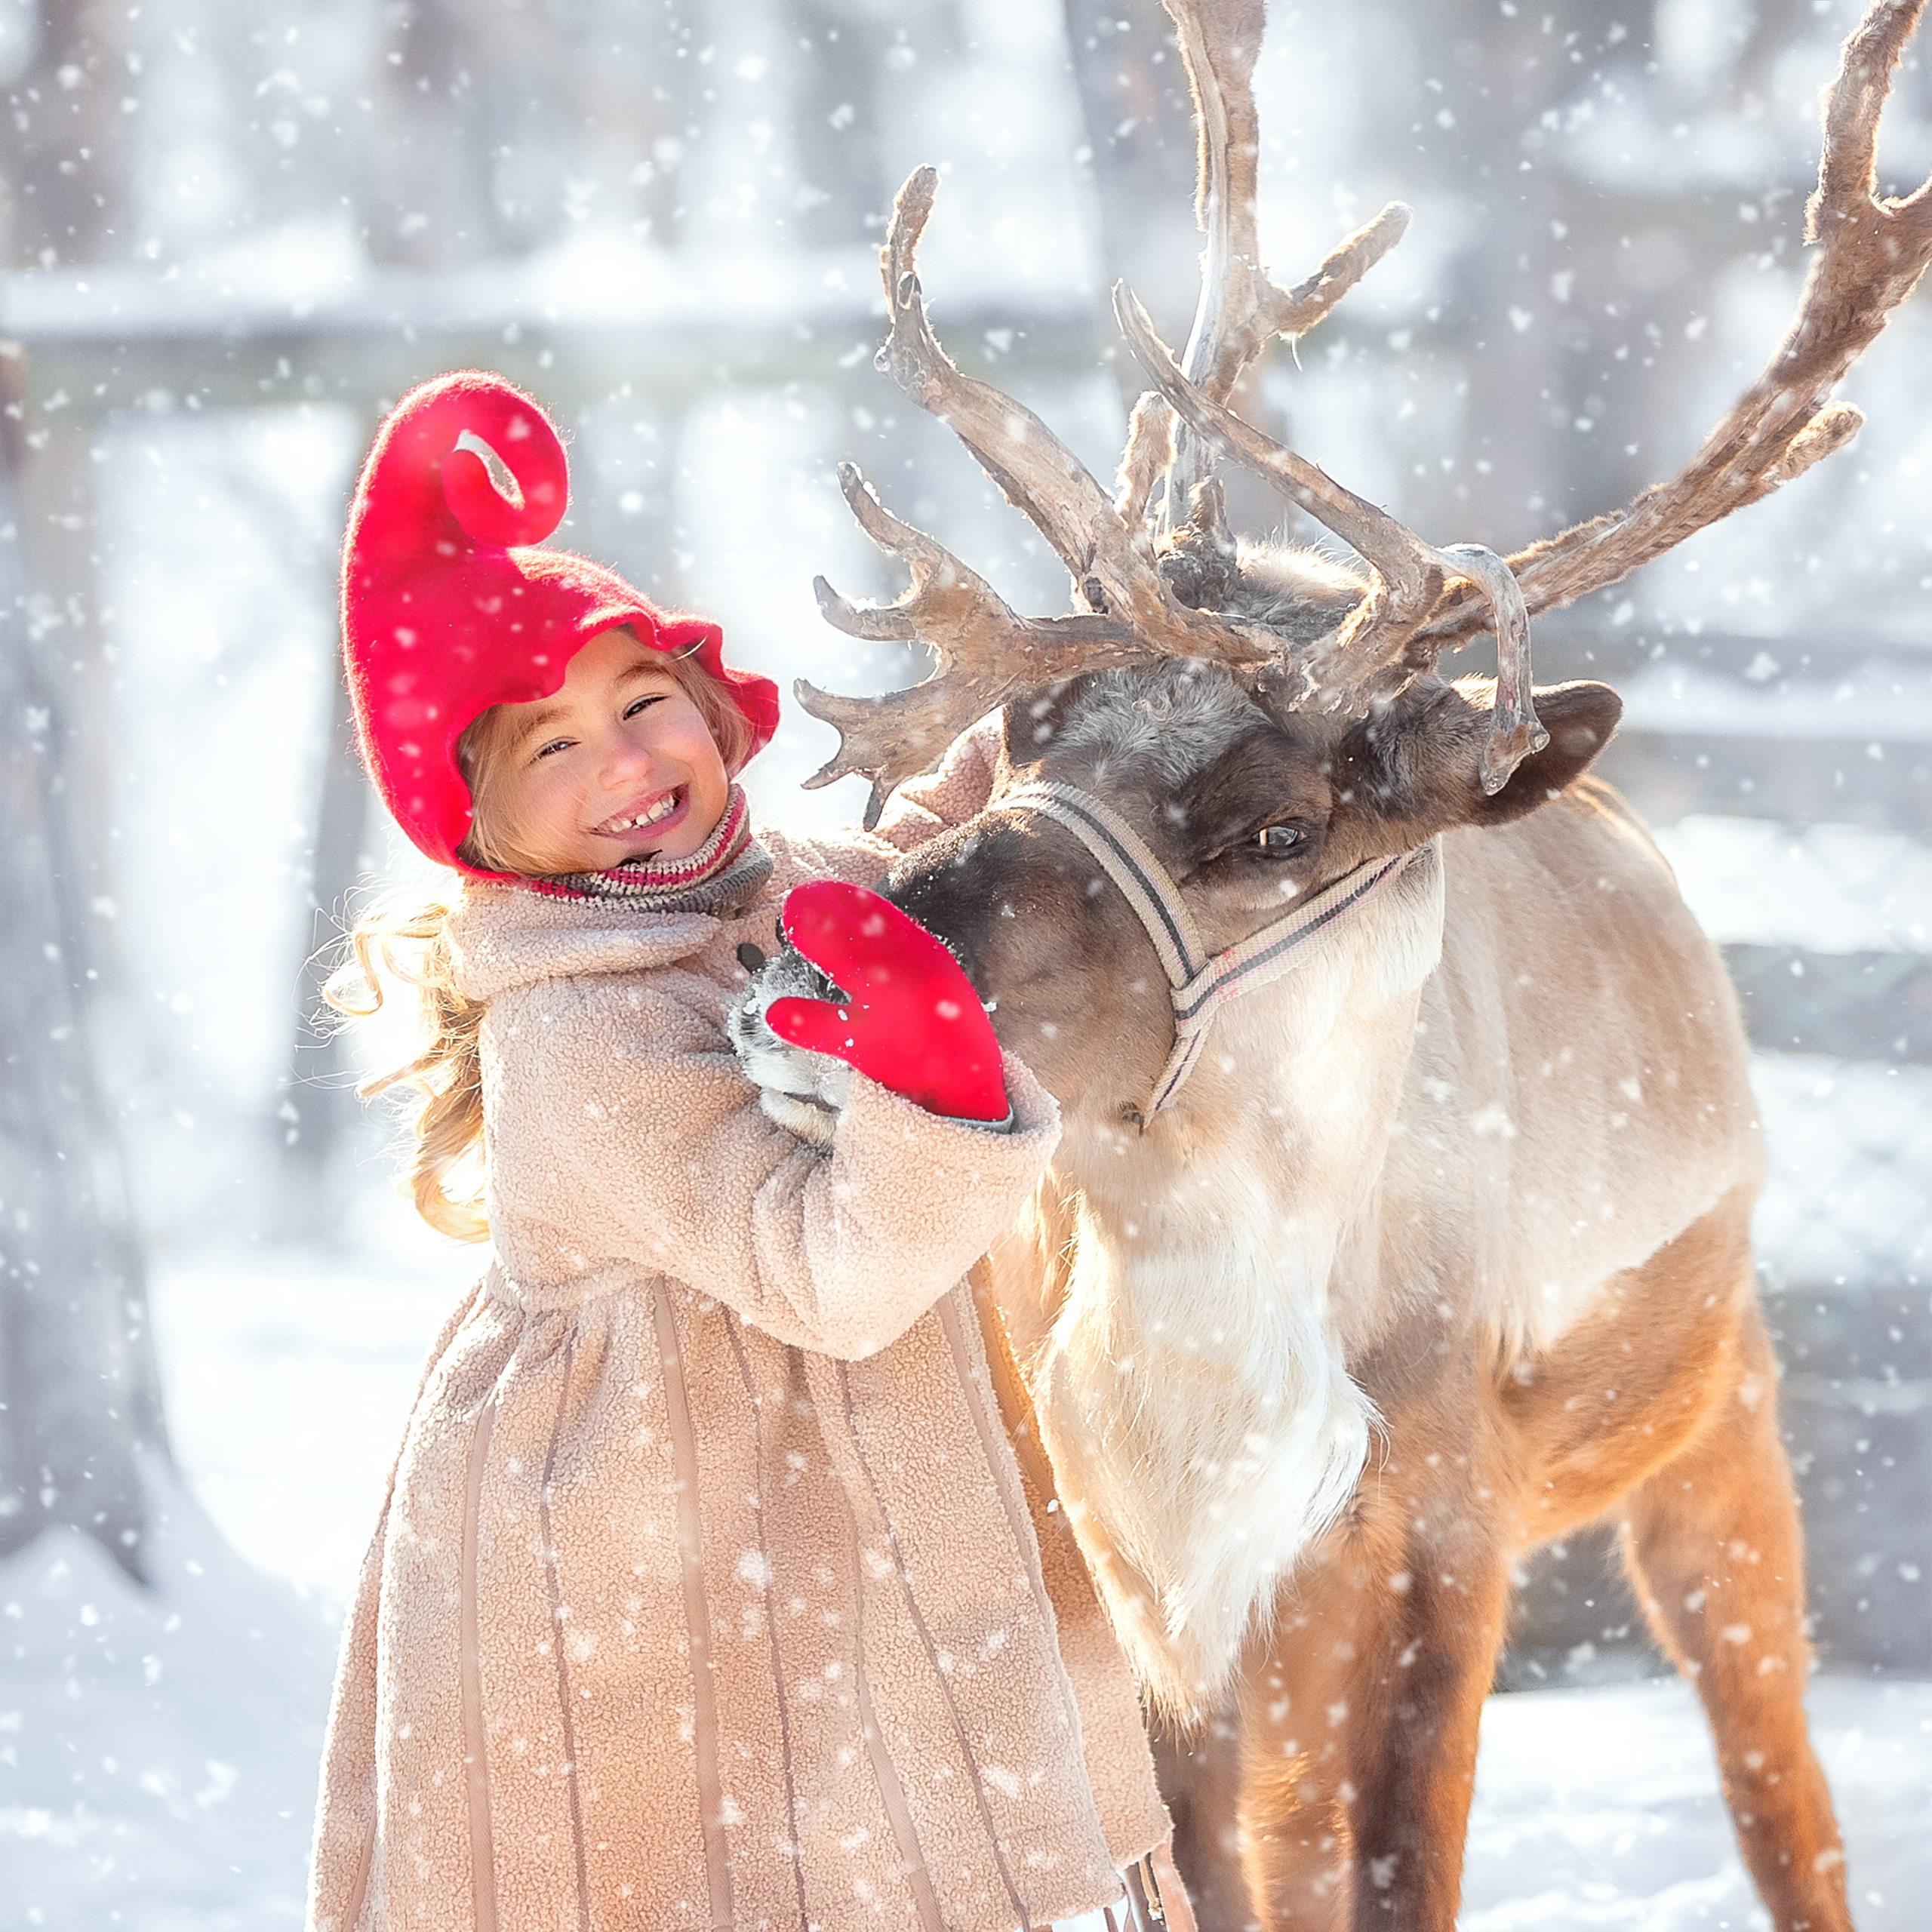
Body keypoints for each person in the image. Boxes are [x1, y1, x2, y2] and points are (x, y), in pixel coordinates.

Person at [306, 371, 1183, 1932]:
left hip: (801, 1480)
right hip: (640, 1525)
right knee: (726, 1850)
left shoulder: (764, 886)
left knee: (864, 1807)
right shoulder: (578, 1044)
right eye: (548, 750)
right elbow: (831, 1274)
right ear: (483, 831)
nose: (625, 765)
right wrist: (924, 1072)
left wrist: (1037, 738)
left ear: (709, 710)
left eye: (639, 703)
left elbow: (915, 856)